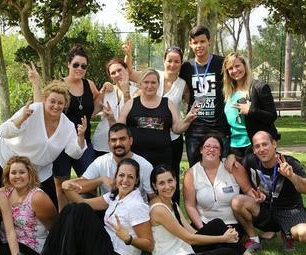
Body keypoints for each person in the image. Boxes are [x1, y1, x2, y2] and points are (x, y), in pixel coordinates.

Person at [149, 164, 306, 255]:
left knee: (217, 224)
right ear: (154, 186)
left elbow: (193, 233)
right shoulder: (159, 209)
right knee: (225, 254)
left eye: (170, 181)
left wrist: (222, 234)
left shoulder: (171, 203)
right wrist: (223, 239)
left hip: (184, 249)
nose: (167, 186)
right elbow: (189, 238)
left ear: (175, 181)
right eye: (161, 183)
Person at [18, 158, 153, 255]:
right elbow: (82, 202)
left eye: (130, 177)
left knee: (81, 210)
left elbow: (149, 245)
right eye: (121, 175)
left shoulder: (137, 205)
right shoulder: (116, 196)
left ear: (137, 181)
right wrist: (65, 187)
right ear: (115, 177)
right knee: (71, 208)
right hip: (106, 247)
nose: (125, 180)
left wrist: (128, 239)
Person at [0, 80, 87, 209]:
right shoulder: (32, 110)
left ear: (65, 104)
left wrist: (81, 136)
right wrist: (22, 118)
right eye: (52, 101)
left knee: (51, 206)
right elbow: (4, 132)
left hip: (40, 169)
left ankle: (53, 229)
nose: (56, 106)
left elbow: (75, 153)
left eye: (60, 103)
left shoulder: (67, 126)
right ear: (45, 100)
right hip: (4, 157)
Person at [124, 40, 190, 203]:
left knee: (167, 178)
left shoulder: (183, 85)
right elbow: (129, 73)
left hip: (171, 140)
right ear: (164, 60)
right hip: (142, 143)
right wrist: (128, 54)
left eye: (177, 61)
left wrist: (189, 117)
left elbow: (188, 104)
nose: (172, 64)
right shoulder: (153, 75)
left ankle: (171, 210)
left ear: (181, 63)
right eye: (169, 60)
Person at [231, 131, 306, 253]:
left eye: (265, 144)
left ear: (274, 144)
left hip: (289, 210)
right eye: (257, 146)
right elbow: (236, 167)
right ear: (253, 150)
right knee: (237, 201)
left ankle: (287, 234)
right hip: (264, 209)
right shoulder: (251, 160)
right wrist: (231, 156)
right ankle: (254, 239)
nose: (261, 149)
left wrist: (291, 176)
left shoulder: (289, 162)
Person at [53, 44, 103, 208]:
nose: (79, 68)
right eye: (76, 65)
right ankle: (63, 221)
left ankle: (90, 219)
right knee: (61, 187)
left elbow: (97, 100)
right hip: (62, 145)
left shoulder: (89, 84)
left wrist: (92, 113)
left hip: (84, 143)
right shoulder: (60, 86)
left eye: (83, 66)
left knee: (89, 184)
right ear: (68, 64)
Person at [183, 134, 263, 236]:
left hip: (233, 224)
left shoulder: (233, 167)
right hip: (205, 223)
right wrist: (203, 229)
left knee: (227, 248)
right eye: (207, 146)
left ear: (220, 152)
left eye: (216, 147)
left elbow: (247, 189)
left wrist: (256, 197)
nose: (211, 150)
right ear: (201, 150)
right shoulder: (191, 173)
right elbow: (190, 206)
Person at [117, 69, 198, 168]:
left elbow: (177, 129)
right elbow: (119, 129)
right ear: (140, 84)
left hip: (162, 160)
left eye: (153, 82)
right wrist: (110, 118)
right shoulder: (130, 104)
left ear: (158, 84)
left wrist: (188, 119)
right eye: (146, 82)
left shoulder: (168, 103)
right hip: (136, 160)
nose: (149, 86)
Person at [179, 25, 230, 166]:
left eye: (202, 41)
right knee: (195, 171)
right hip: (195, 129)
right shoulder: (186, 67)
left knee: (222, 171)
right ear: (190, 44)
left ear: (209, 41)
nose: (199, 45)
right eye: (195, 42)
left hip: (219, 127)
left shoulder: (222, 63)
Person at [78, 123, 154, 203]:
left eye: (122, 139)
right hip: (107, 208)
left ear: (130, 141)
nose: (118, 144)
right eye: (114, 140)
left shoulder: (145, 166)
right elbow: (78, 186)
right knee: (81, 200)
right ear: (109, 143)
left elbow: (154, 197)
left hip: (136, 211)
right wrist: (100, 180)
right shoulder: (101, 162)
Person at [222, 52, 279, 158]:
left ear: (245, 66)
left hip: (254, 144)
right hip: (233, 146)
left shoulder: (259, 88)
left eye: (237, 66)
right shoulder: (227, 92)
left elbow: (272, 116)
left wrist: (251, 110)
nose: (234, 70)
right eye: (230, 68)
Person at [0, 156, 57, 255]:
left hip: (31, 248)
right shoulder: (3, 193)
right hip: (5, 244)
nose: (18, 176)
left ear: (30, 174)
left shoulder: (37, 197)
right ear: (8, 176)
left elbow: (54, 228)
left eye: (22, 172)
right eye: (13, 173)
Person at [92, 58, 138, 157]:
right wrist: (101, 91)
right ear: (110, 76)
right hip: (101, 145)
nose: (117, 74)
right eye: (113, 73)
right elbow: (92, 113)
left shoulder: (137, 92)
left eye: (119, 70)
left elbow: (132, 117)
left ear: (127, 70)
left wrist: (126, 91)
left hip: (123, 146)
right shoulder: (108, 90)